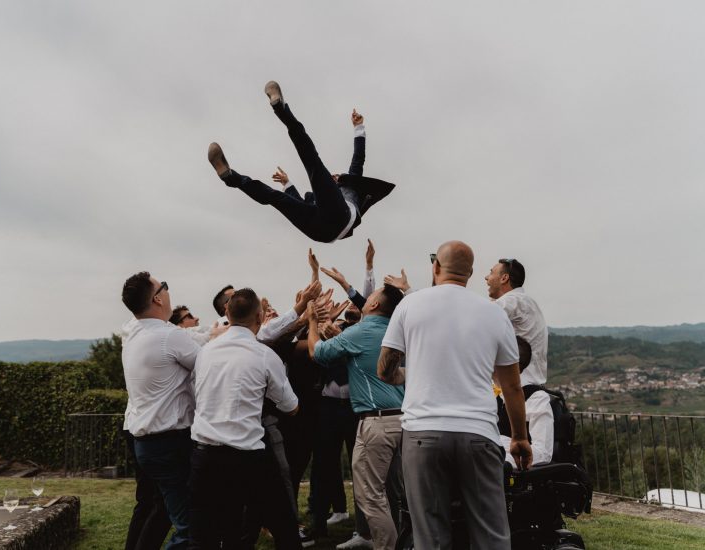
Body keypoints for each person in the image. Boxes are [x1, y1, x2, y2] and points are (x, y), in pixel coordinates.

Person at [377, 241, 533, 550]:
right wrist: (519, 437)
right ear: (470, 274)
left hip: (422, 433)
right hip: (478, 433)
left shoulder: (410, 304)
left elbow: (385, 367)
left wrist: (401, 374)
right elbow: (513, 387)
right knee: (491, 536)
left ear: (436, 267)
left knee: (431, 538)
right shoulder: (494, 314)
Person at [207, 81, 395, 243]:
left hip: (339, 219)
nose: (333, 177)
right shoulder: (324, 195)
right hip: (318, 229)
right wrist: (287, 184)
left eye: (335, 177)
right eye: (333, 177)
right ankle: (230, 176)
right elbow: (296, 205)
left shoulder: (348, 190)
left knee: (312, 162)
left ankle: (281, 109)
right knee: (276, 197)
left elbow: (356, 160)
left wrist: (359, 127)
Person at [188, 288, 300, 549]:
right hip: (247, 457)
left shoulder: (205, 352)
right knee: (284, 527)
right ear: (260, 317)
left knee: (203, 537)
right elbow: (291, 406)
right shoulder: (264, 355)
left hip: (204, 455)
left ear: (227, 313)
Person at [307, 285, 406, 550]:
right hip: (403, 421)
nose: (367, 298)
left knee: (370, 496)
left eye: (371, 296)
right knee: (393, 493)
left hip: (376, 421)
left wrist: (312, 322)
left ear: (374, 305)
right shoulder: (398, 331)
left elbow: (317, 352)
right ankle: (396, 541)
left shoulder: (361, 331)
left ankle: (385, 546)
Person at [121, 273, 199, 549]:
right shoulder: (168, 335)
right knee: (192, 529)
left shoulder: (132, 333)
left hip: (147, 443)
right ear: (157, 298)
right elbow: (211, 366)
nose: (167, 291)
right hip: (171, 444)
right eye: (164, 286)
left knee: (165, 511)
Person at [485, 258, 553, 466]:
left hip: (524, 389)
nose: (486, 277)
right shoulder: (523, 304)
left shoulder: (515, 301)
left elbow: (481, 316)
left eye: (491, 272)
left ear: (504, 278)